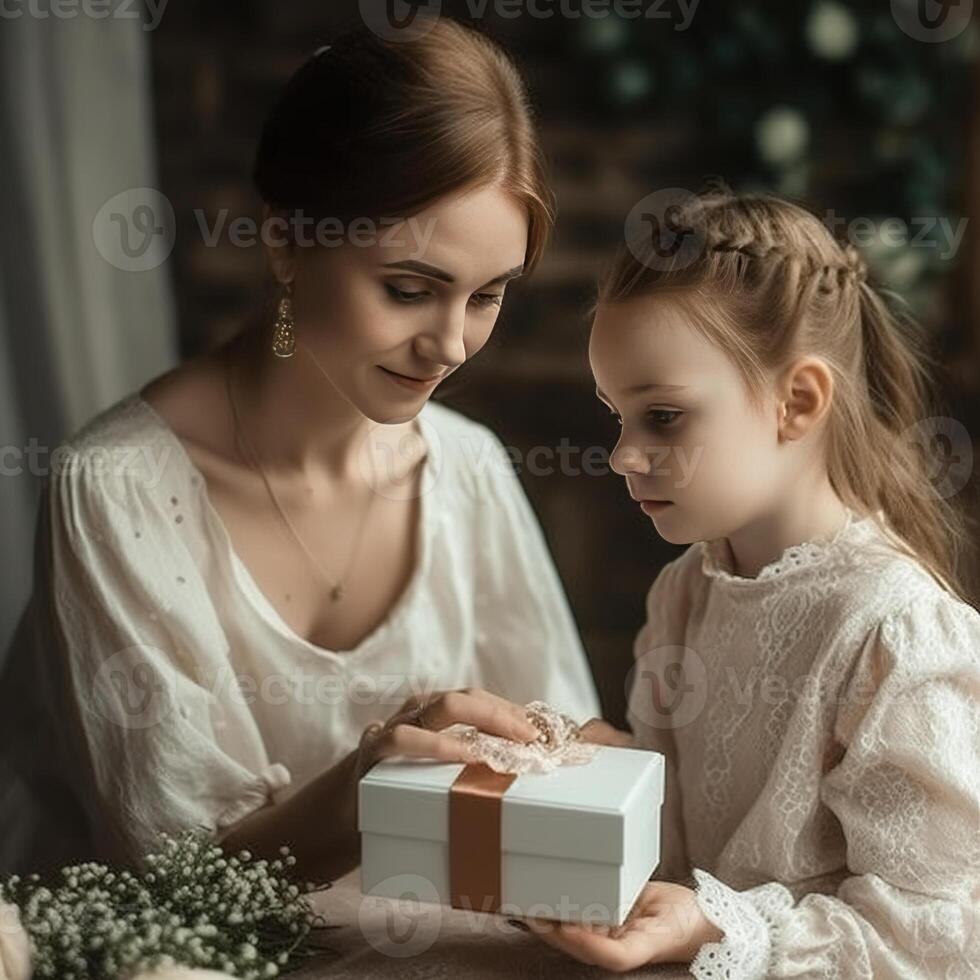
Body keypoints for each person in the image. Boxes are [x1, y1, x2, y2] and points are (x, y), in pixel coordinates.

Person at [0, 18, 601, 882]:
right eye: (408, 289)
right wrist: (373, 783)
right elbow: (172, 872)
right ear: (286, 240)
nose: (452, 345)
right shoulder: (117, 489)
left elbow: (564, 768)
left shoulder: (466, 468)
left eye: (487, 296)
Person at [519, 187, 980, 977]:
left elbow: (938, 931)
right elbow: (669, 820)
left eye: (662, 416)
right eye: (616, 416)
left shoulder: (891, 629)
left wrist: (717, 924)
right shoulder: (687, 590)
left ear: (796, 401)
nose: (623, 455)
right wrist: (554, 759)